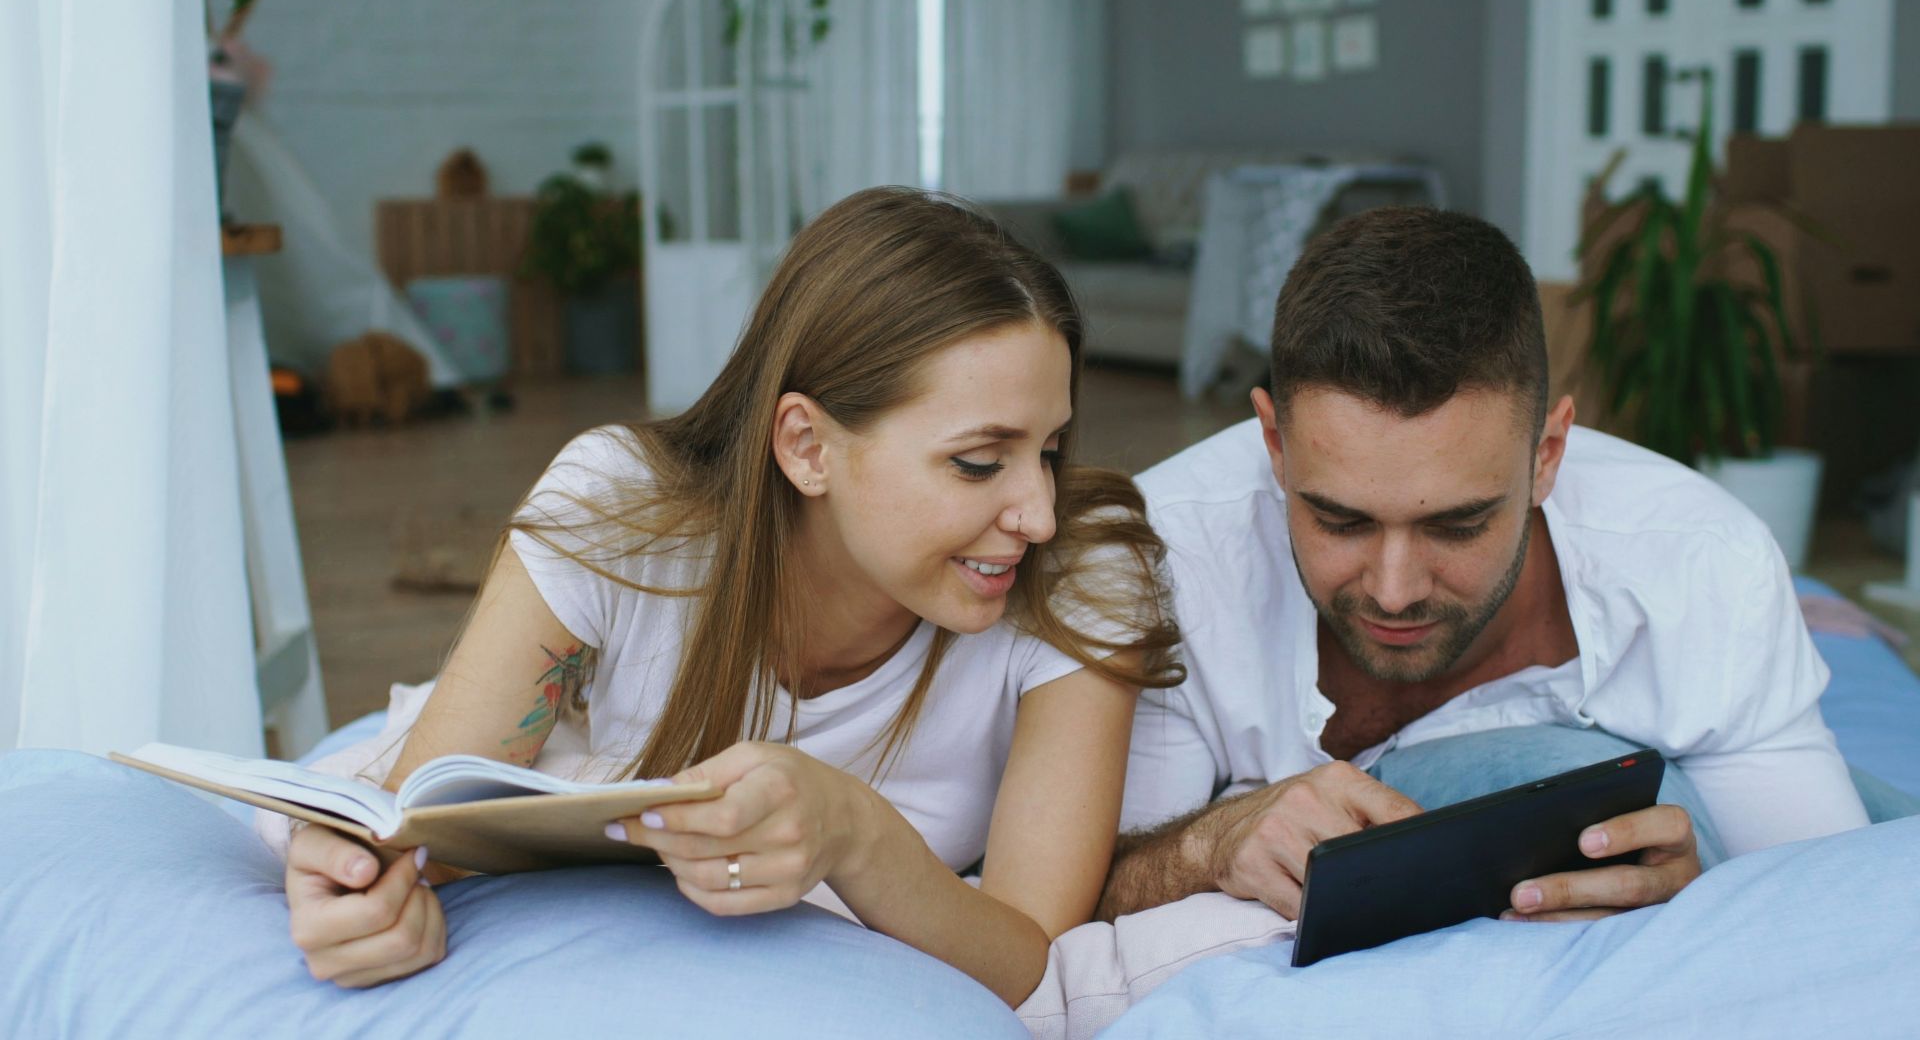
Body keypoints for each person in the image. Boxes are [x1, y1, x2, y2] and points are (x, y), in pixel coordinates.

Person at [267, 187, 1183, 1007]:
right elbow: (423, 831)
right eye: (979, 462)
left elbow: (1026, 955)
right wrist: (364, 894)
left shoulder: (1081, 574)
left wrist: (854, 833)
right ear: (807, 447)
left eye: (1050, 450)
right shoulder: (620, 512)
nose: (1038, 513)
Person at [1098, 206, 1870, 925]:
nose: (1393, 592)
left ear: (1547, 457)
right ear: (1274, 444)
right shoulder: (1159, 561)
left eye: (1458, 525)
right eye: (1340, 521)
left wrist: (1702, 901)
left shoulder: (1702, 560)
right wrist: (1211, 843)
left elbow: (1831, 908)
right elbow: (1078, 893)